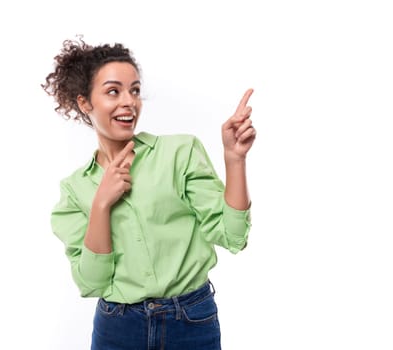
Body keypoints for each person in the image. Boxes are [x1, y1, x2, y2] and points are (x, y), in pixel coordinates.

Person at [43, 37, 256, 350]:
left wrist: (235, 160)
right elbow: (92, 282)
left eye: (135, 90)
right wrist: (101, 204)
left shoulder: (179, 153)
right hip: (117, 327)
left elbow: (233, 236)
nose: (129, 101)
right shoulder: (75, 191)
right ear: (85, 103)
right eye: (113, 91)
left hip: (192, 320)